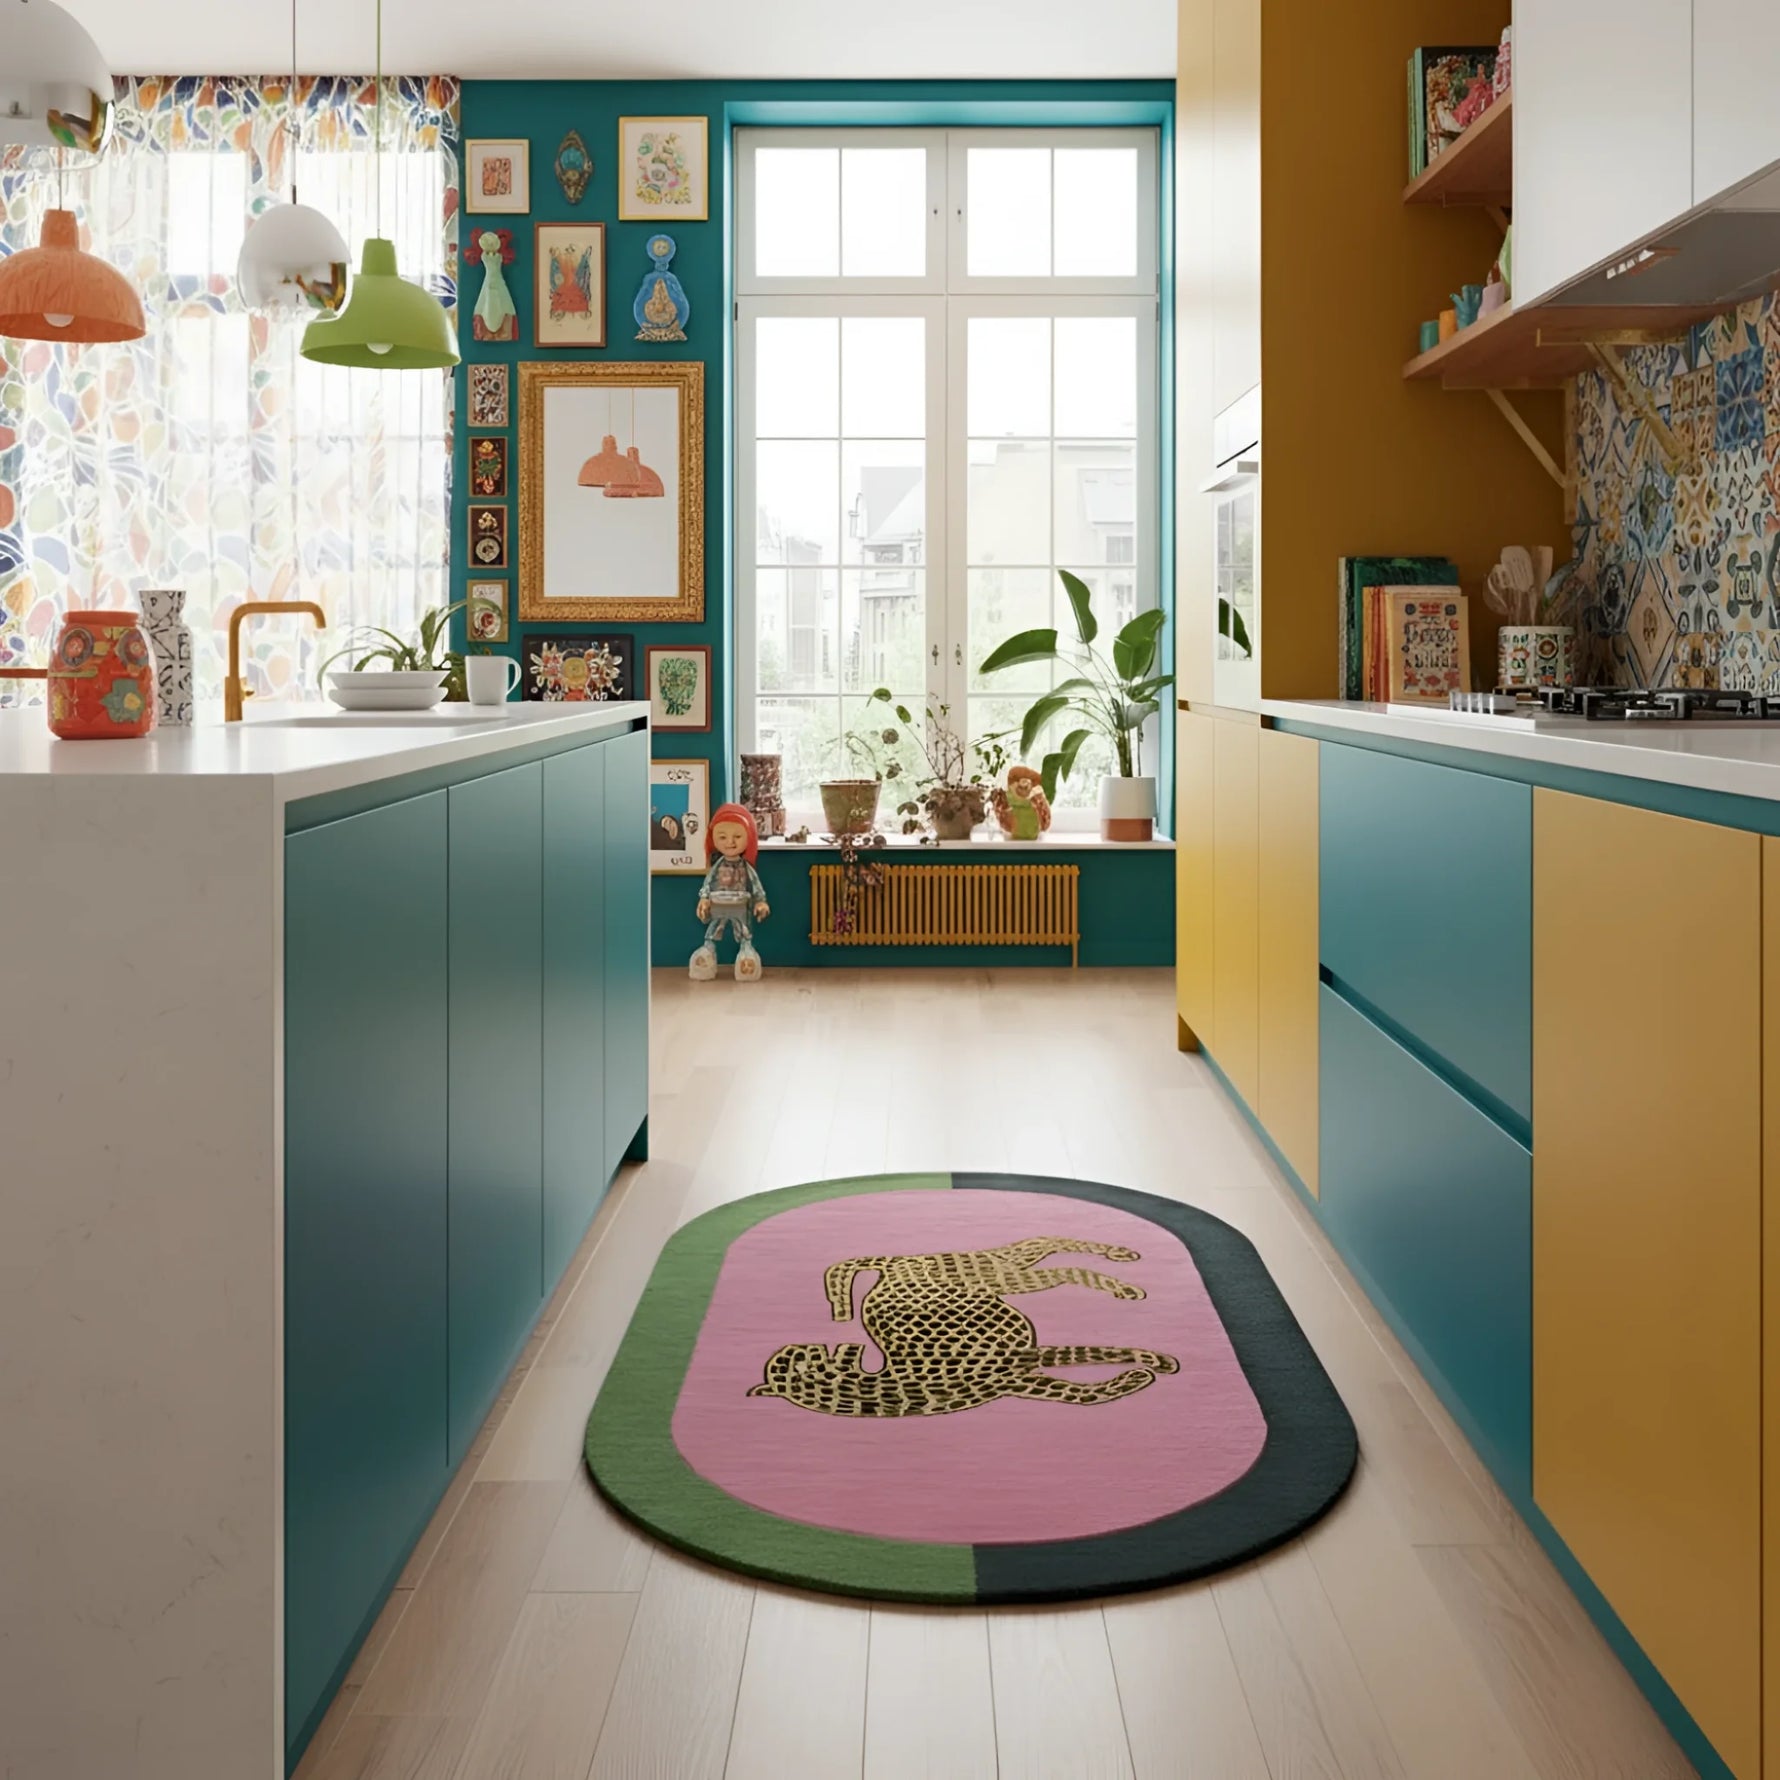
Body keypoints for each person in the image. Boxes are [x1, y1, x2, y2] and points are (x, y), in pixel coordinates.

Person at [691, 802, 770, 982]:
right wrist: (704, 898)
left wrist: (760, 900)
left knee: (744, 932)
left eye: (737, 836)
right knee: (713, 929)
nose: (730, 842)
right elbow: (708, 882)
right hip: (718, 904)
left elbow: (755, 883)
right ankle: (707, 954)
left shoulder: (746, 867)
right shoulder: (718, 866)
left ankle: (747, 957)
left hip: (741, 906)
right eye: (723, 837)